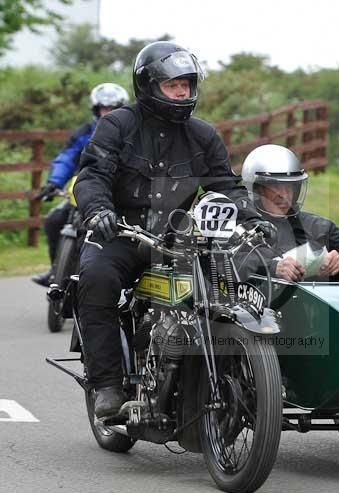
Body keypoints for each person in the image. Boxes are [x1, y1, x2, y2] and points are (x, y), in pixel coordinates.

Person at [72, 41, 271, 418]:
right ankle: (108, 383)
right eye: (173, 85)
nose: (182, 93)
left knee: (230, 283)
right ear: (148, 86)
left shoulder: (203, 135)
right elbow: (92, 175)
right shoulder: (117, 125)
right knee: (96, 277)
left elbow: (225, 187)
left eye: (187, 84)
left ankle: (235, 373)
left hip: (179, 240)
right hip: (122, 233)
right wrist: (98, 210)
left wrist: (252, 216)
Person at [30, 83, 130, 287]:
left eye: (113, 109)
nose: (108, 113)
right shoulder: (85, 132)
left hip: (115, 196)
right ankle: (55, 271)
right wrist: (53, 183)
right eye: (104, 108)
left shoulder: (130, 132)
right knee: (53, 220)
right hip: (83, 191)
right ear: (96, 110)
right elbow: (66, 158)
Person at [241, 144, 339, 283]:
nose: (284, 195)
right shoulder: (240, 227)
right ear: (256, 190)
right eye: (275, 186)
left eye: (289, 187)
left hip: (311, 302)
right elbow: (225, 263)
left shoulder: (315, 225)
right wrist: (273, 268)